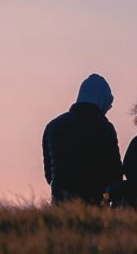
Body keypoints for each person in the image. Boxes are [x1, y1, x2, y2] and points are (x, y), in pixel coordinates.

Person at [42, 74, 122, 204]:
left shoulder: (53, 126)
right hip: (93, 204)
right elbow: (114, 174)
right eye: (108, 105)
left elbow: (49, 174)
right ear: (101, 100)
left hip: (59, 204)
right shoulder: (103, 128)